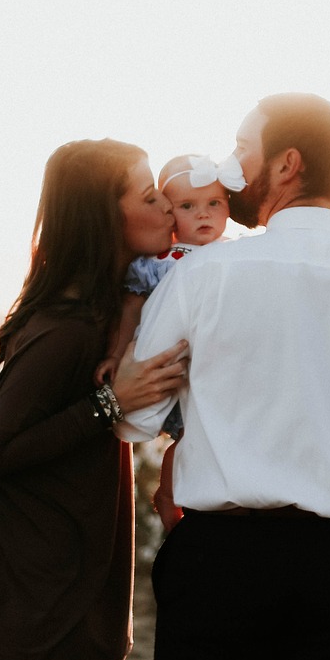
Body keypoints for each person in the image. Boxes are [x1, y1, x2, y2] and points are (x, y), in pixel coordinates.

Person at [116, 94, 330, 660]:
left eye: (242, 150)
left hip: (218, 565)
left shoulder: (199, 277)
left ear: (287, 164)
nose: (229, 168)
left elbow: (135, 421)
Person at [0, 138, 190, 660]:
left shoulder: (106, 309)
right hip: (37, 581)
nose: (168, 205)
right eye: (150, 197)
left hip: (50, 562)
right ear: (105, 218)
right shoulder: (69, 328)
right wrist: (110, 402)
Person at [95, 153, 244, 530]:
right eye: (188, 206)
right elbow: (131, 309)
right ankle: (167, 494)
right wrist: (116, 353)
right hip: (168, 364)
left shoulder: (239, 255)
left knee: (202, 436)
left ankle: (196, 502)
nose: (204, 214)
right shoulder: (162, 261)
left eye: (214, 203)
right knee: (184, 438)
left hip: (212, 367)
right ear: (169, 213)